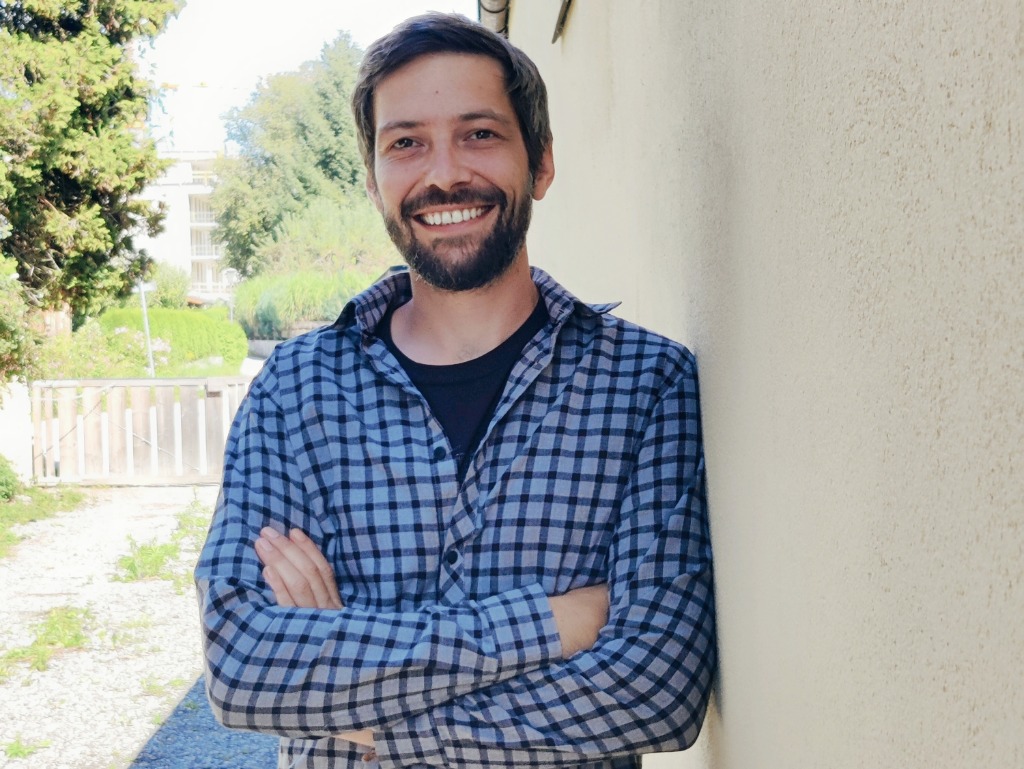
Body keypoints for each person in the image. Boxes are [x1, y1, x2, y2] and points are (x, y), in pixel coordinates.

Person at [195, 12, 715, 769]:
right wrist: (554, 623)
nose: (443, 174)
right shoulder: (295, 389)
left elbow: (656, 690)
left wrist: (360, 707)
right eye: (406, 143)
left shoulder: (645, 384)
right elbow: (244, 666)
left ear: (540, 162)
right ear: (373, 179)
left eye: (479, 133)